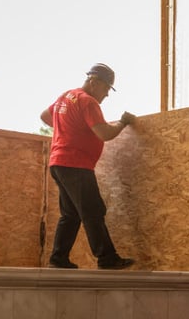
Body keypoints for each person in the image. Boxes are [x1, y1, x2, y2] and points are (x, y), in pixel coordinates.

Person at [40, 63, 137, 270]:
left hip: (59, 163)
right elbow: (105, 134)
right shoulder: (88, 102)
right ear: (94, 82)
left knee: (71, 214)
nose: (107, 95)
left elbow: (45, 117)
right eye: (107, 88)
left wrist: (69, 128)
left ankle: (58, 259)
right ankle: (107, 258)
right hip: (76, 163)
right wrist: (123, 122)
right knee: (93, 210)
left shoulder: (66, 96)